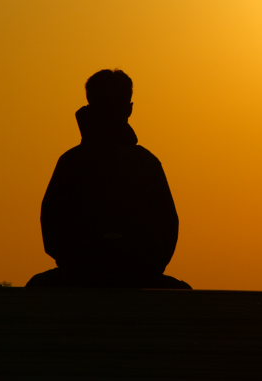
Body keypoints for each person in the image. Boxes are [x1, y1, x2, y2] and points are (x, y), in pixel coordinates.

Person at [27, 69, 190, 289]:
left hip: (84, 275)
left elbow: (53, 226)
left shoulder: (72, 162)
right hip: (123, 275)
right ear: (129, 109)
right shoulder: (145, 163)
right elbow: (167, 228)